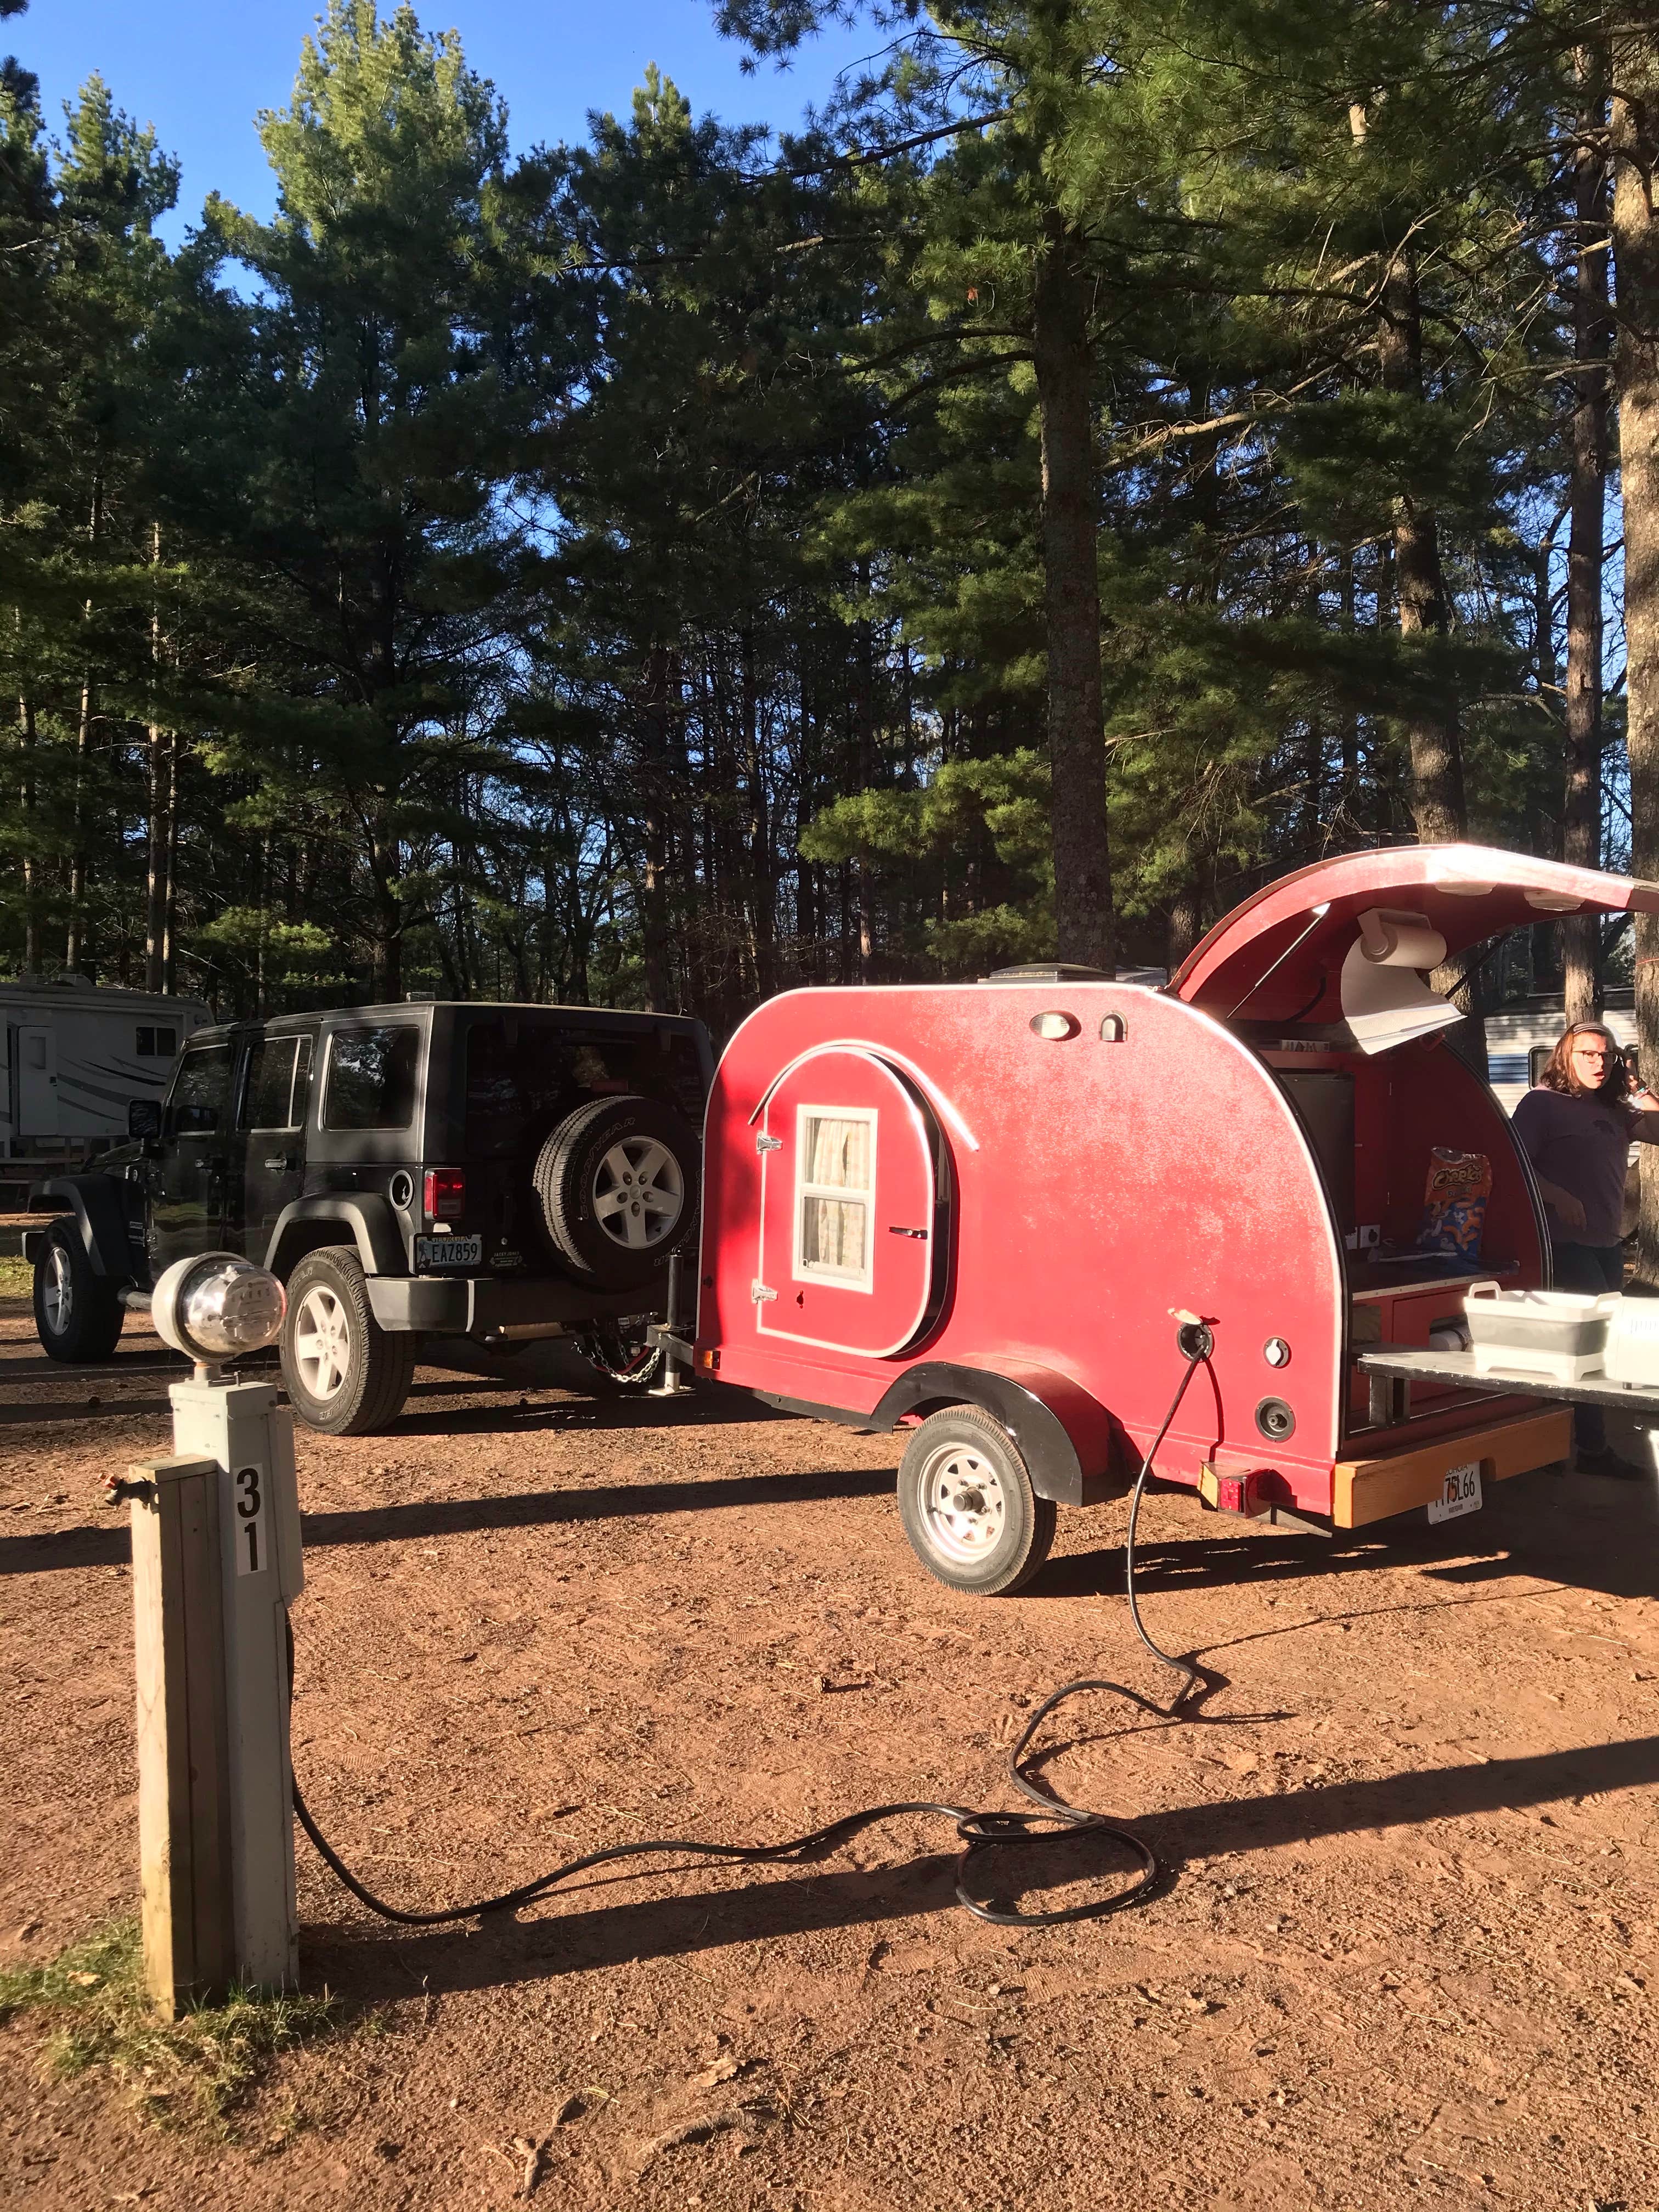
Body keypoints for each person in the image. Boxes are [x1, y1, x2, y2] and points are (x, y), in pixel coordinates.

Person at [1512, 1020, 1659, 1478]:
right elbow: (1512, 1161)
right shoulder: (1541, 1104)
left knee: (1590, 1346)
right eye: (1589, 1054)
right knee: (1589, 1343)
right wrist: (1557, 1195)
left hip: (1606, 1243)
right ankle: (1583, 1448)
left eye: (1607, 1056)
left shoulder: (1612, 1108)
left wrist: (1638, 1086)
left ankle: (1563, 1446)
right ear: (1565, 1056)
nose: (1600, 1063)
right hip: (1562, 1243)